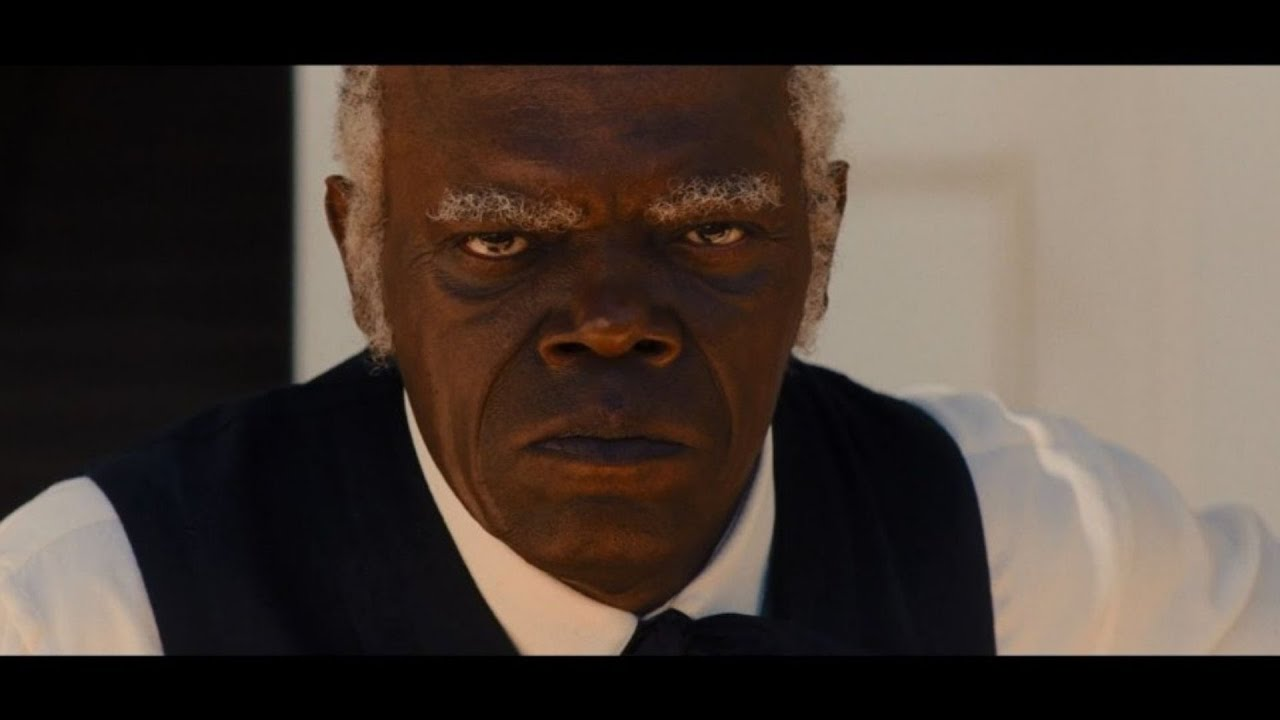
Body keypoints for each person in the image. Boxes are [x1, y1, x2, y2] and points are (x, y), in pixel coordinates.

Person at [1, 66, 1277, 655]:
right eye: (500, 240)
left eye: (708, 228)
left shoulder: (1023, 551)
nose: (609, 320)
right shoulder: (95, 611)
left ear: (820, 236)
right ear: (361, 252)